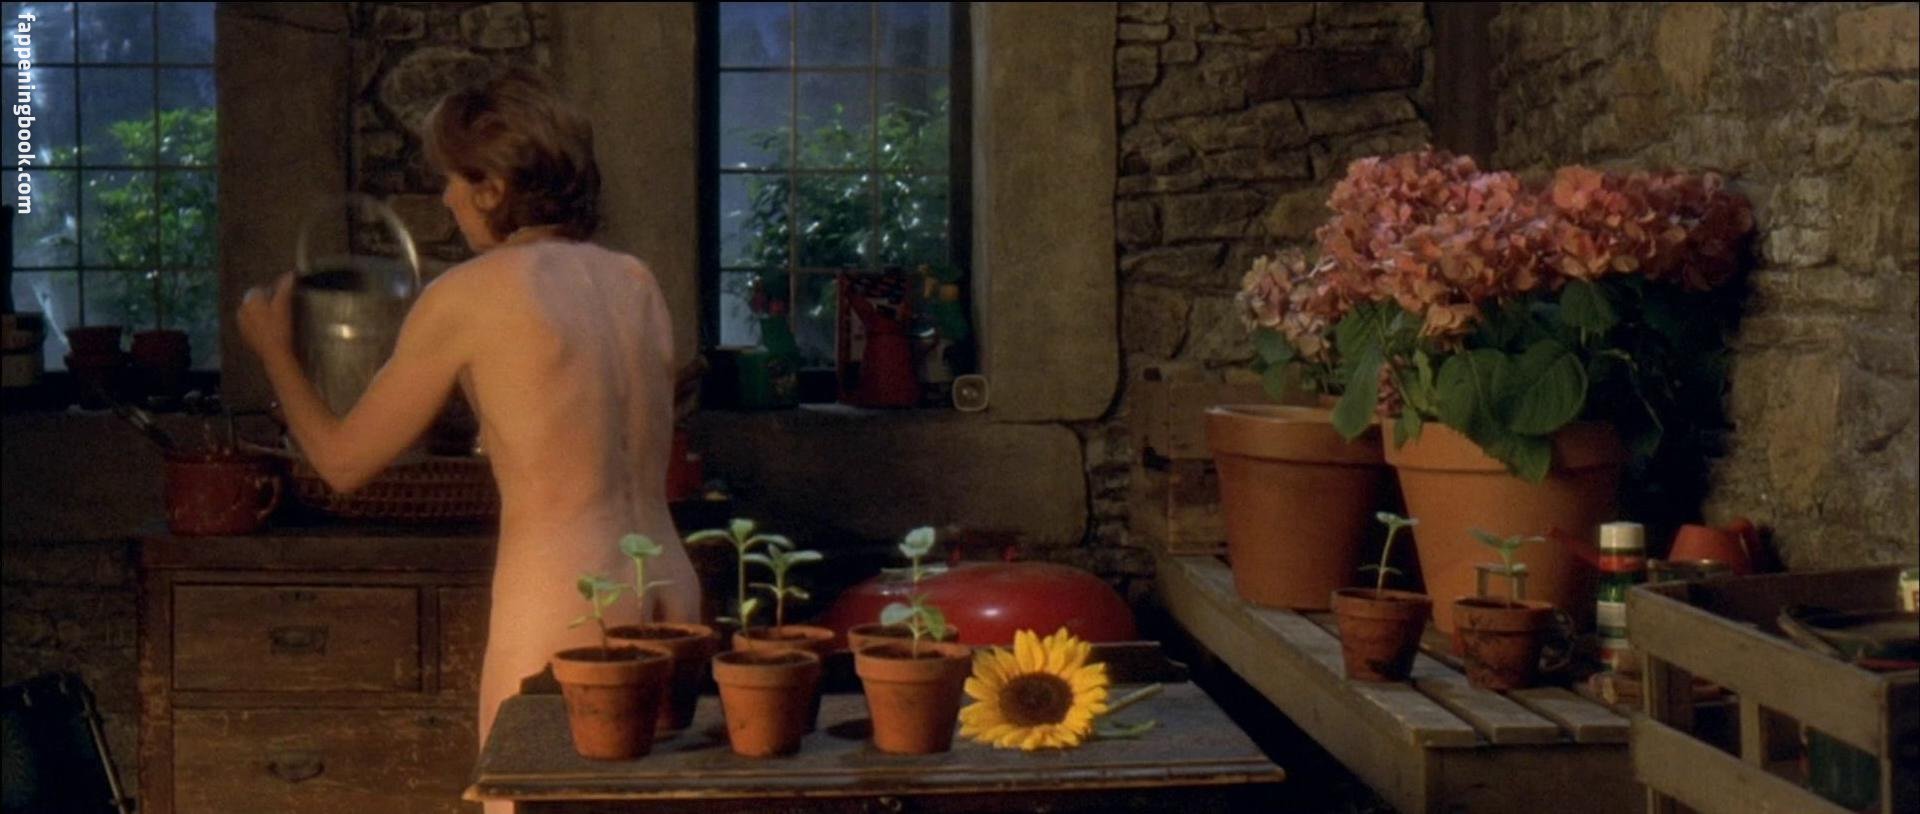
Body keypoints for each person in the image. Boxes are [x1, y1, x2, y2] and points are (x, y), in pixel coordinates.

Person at [237, 68, 700, 810]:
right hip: (669, 589)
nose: (447, 199)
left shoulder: (473, 292)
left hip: (563, 601)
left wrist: (274, 350)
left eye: (454, 180)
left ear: (493, 189)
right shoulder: (635, 281)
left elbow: (343, 462)